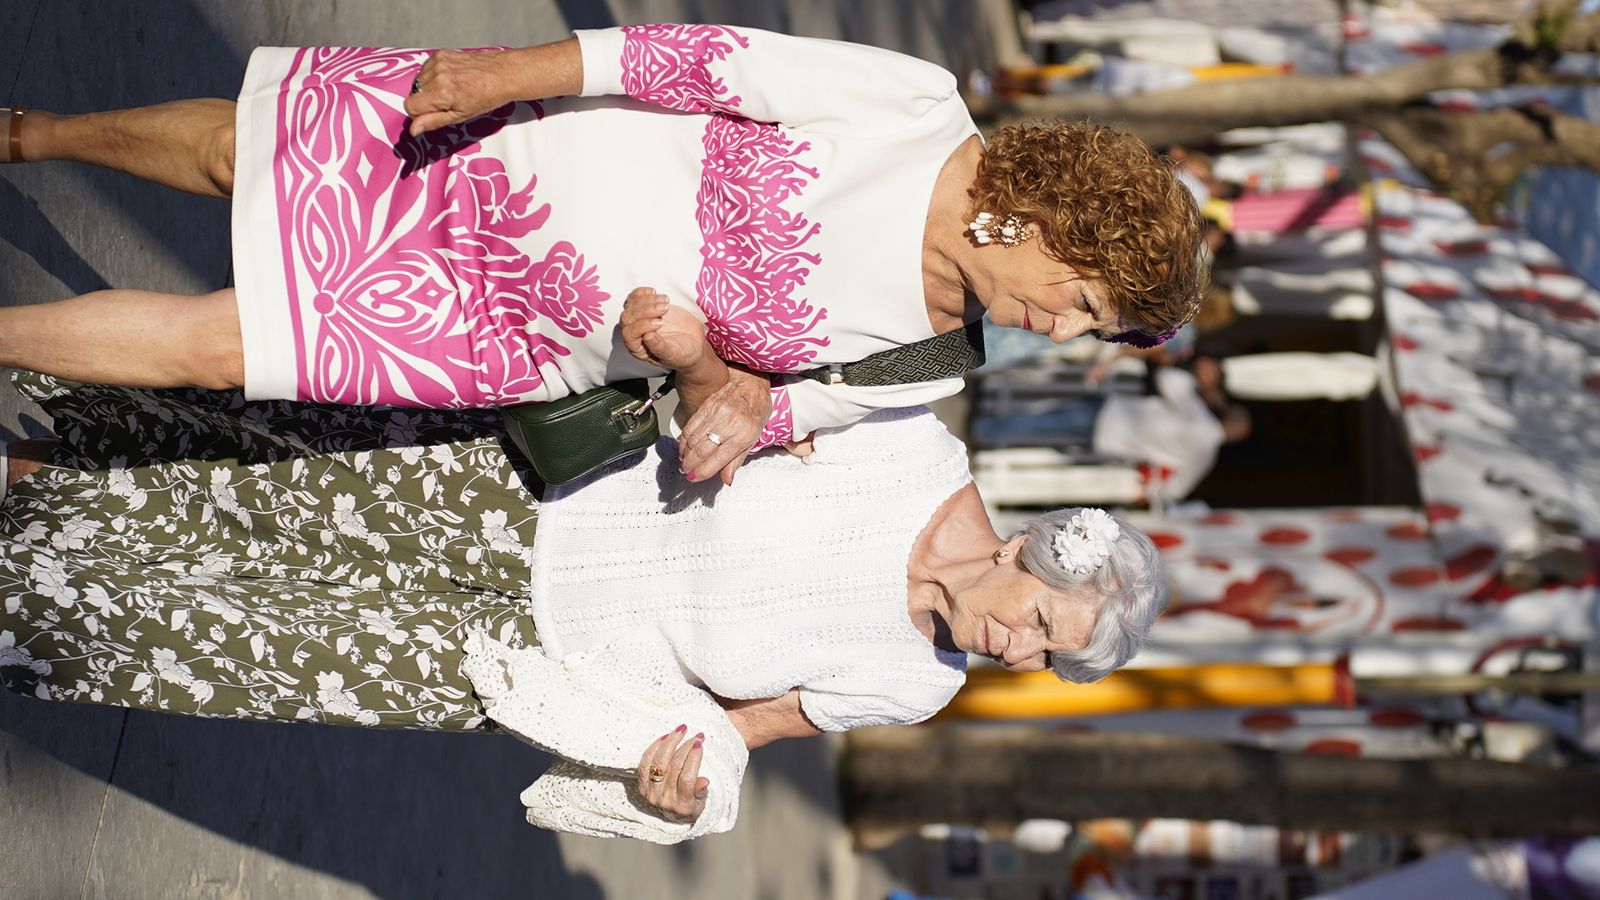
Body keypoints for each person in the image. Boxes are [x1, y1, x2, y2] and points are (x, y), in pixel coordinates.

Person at [0, 24, 1207, 485]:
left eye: (1086, 329)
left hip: (507, 334)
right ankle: (35, 133)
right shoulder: (919, 111)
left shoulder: (933, 364)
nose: (1061, 330)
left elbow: (761, 416)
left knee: (224, 349)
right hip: (517, 158)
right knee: (238, 156)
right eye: (1082, 299)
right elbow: (711, 61)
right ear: (1058, 226)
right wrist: (515, 73)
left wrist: (713, 394)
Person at [0, 372, 1166, 842]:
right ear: (1032, 552)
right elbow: (739, 378)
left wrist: (686, 782)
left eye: (1041, 664)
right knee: (232, 502)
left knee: (233, 647)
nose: (1016, 652)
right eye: (1039, 626)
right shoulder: (908, 448)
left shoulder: (913, 685)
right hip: (509, 504)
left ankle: (21, 597)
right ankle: (28, 486)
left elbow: (742, 729)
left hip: (517, 663)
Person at [972, 354, 1250, 501]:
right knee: (1047, 433)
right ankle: (988, 431)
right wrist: (1149, 480)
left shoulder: (1199, 416)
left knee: (1046, 419)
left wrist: (1201, 388)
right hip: (1114, 446)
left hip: (1114, 414)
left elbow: (1170, 379)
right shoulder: (1204, 459)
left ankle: (986, 428)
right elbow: (1174, 491)